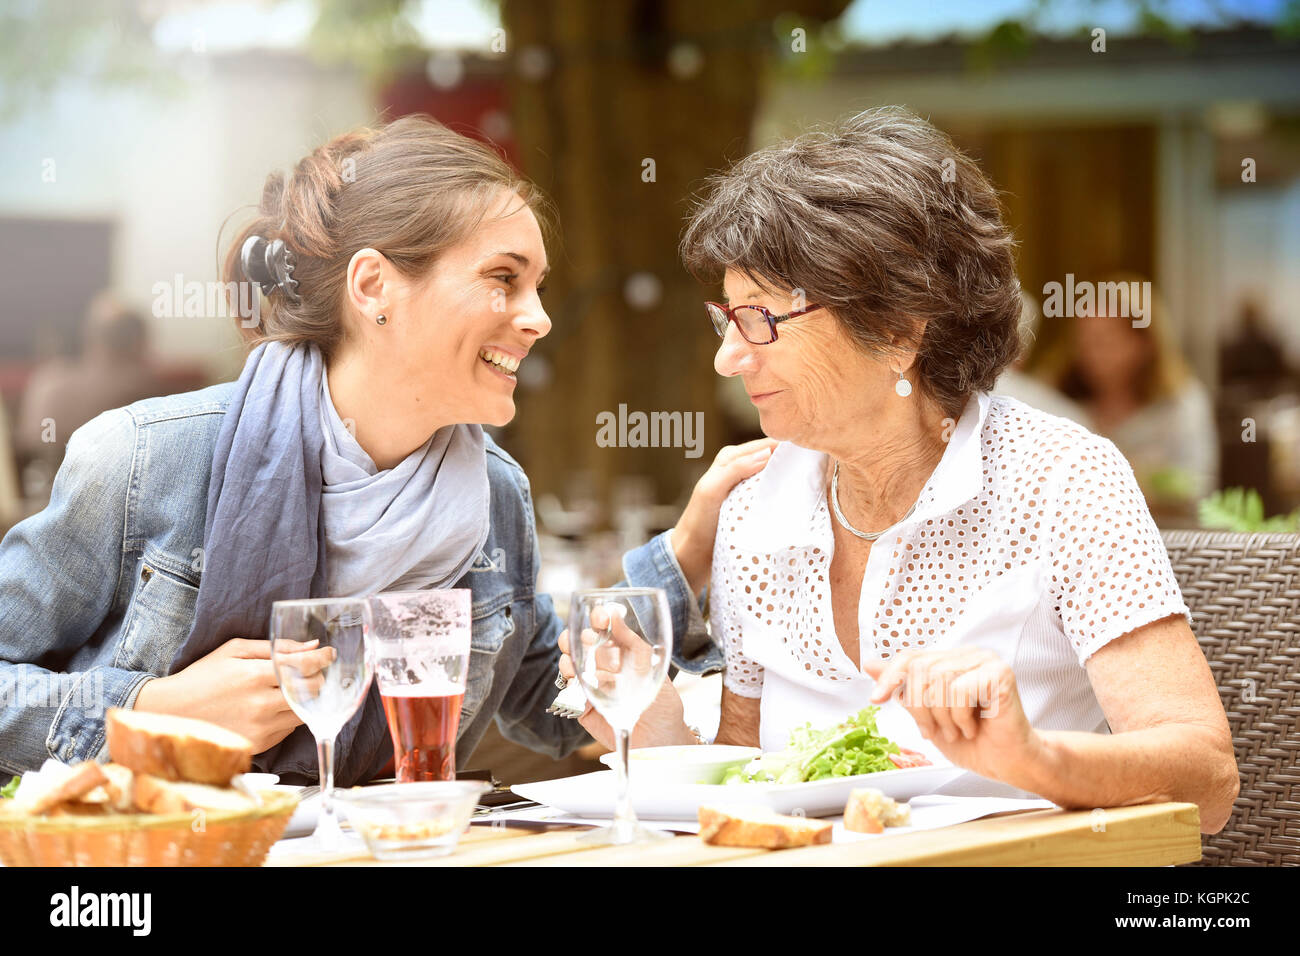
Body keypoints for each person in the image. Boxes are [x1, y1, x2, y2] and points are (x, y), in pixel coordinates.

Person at [0, 115, 773, 785]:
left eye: (538, 285)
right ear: (374, 287)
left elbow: (552, 698)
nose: (537, 318)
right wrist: (146, 714)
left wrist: (682, 557)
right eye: (504, 279)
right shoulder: (145, 462)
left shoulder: (494, 493)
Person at [559, 107, 1239, 834]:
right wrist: (656, 726)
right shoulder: (754, 506)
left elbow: (1209, 780)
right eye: (726, 319)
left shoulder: (1062, 479)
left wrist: (1034, 757)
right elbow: (751, 781)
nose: (728, 357)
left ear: (896, 330)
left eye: (760, 320)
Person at [1029, 273, 1217, 520]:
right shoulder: (1055, 399)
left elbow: (1199, 489)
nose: (1090, 353)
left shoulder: (1180, 403)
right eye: (1084, 341)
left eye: (1104, 341)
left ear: (1145, 343)